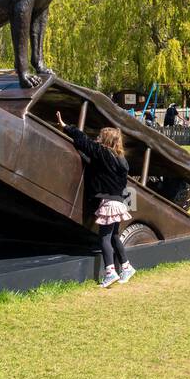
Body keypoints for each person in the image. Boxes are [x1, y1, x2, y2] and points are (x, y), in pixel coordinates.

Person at [55, 115, 136, 289]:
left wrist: (66, 126)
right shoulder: (121, 160)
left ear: (105, 140)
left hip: (108, 202)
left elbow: (83, 141)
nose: (97, 138)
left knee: (104, 239)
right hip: (119, 201)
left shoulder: (102, 153)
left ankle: (110, 272)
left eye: (100, 136)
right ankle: (127, 267)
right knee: (114, 236)